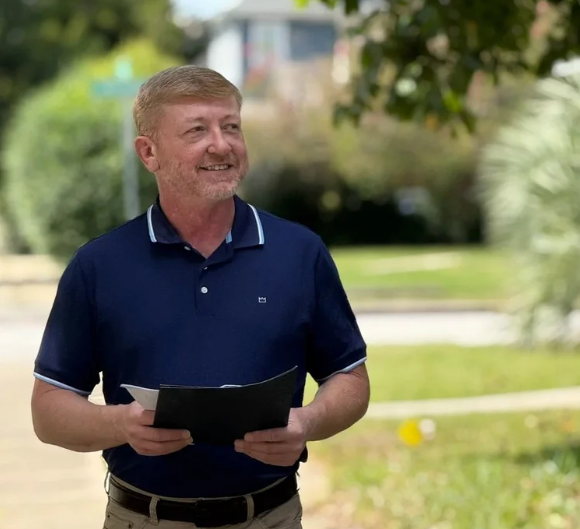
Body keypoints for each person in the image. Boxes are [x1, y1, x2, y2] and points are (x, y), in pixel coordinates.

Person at [30, 65, 370, 529]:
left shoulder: (300, 252)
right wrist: (120, 425)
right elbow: (49, 410)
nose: (221, 144)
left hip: (272, 517)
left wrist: (308, 422)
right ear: (148, 153)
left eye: (231, 126)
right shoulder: (98, 266)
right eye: (197, 130)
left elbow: (350, 378)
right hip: (142, 520)